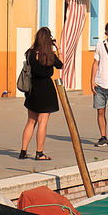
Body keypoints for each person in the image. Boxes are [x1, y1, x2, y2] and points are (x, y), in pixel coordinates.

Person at [19, 27, 64, 160]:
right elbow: (61, 65)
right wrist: (58, 48)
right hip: (46, 89)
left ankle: (23, 151)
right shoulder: (49, 55)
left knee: (31, 121)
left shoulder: (30, 53)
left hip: (32, 89)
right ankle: (39, 152)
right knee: (43, 121)